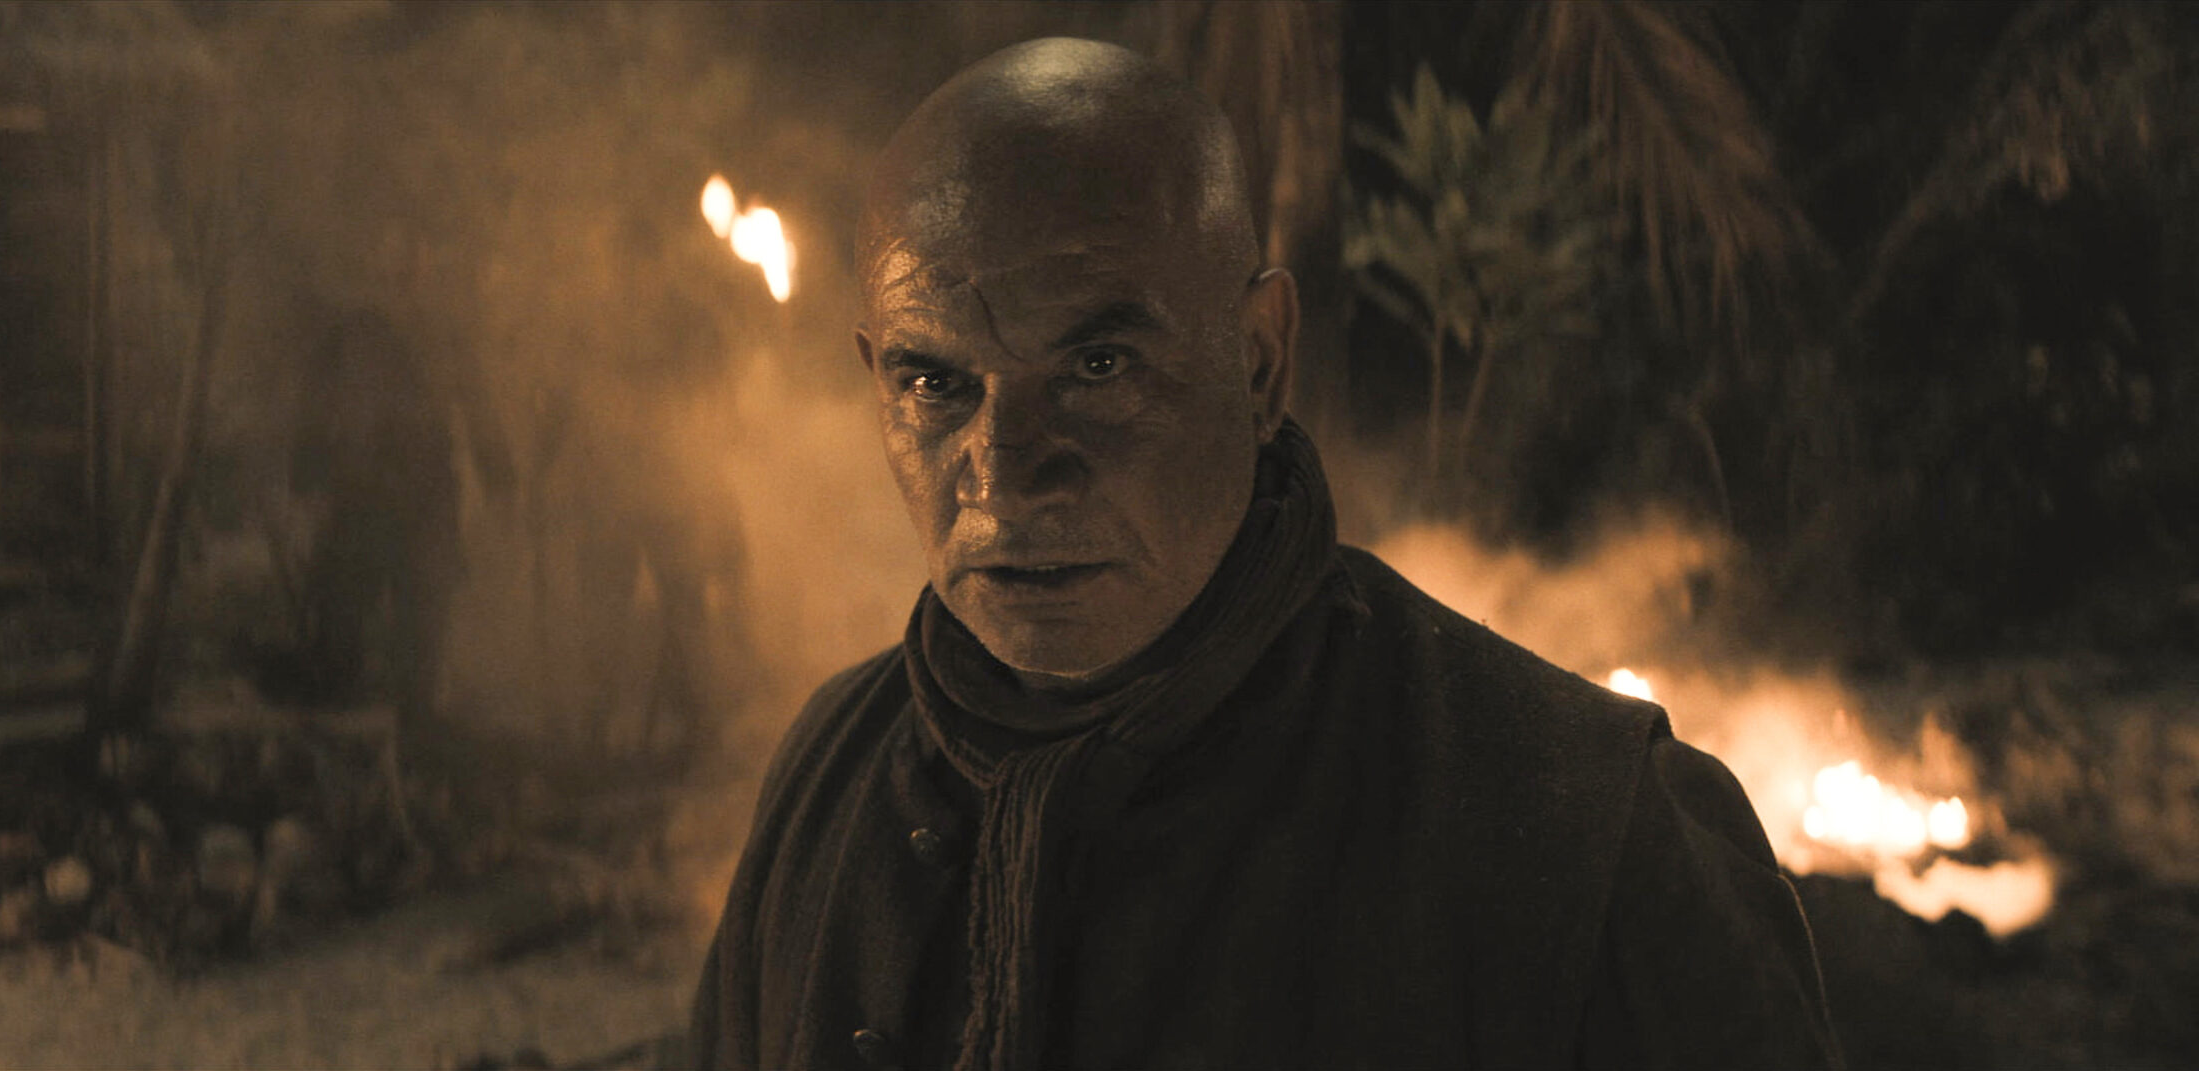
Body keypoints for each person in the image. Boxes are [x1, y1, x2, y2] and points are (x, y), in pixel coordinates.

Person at [690, 38, 1843, 1070]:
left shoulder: (1585, 834)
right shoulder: (831, 778)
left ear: (1257, 362)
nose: (1003, 468)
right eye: (934, 382)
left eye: (1097, 367)